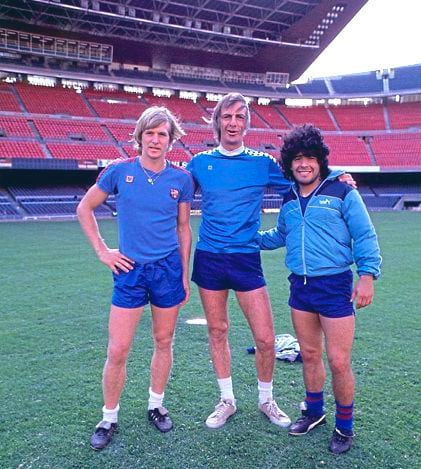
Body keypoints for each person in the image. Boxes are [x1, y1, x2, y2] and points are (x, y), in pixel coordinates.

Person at [186, 93, 354, 430]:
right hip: (209, 258)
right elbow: (169, 186)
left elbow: (304, 176)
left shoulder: (261, 163)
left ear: (247, 122)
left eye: (240, 116)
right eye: (227, 116)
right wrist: (127, 164)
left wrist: (339, 175)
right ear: (217, 121)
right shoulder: (199, 162)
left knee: (265, 338)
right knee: (218, 331)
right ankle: (227, 400)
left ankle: (266, 399)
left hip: (246, 258)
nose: (233, 122)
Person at [258, 124, 381, 454]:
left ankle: (345, 426)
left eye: (310, 158)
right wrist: (249, 238)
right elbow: (281, 236)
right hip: (300, 287)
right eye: (297, 158)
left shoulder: (342, 190)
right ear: (289, 164)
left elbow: (364, 235)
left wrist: (367, 275)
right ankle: (313, 413)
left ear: (320, 160)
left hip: (335, 285)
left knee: (338, 360)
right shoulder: (288, 197)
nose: (303, 164)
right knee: (310, 355)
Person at [77, 106, 193, 450]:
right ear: (140, 136)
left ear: (171, 140)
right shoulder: (118, 172)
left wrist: (183, 275)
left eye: (162, 134)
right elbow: (84, 208)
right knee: (118, 348)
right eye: (150, 133)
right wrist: (103, 251)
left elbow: (184, 228)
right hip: (130, 271)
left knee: (163, 341)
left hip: (168, 270)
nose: (155, 140)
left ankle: (156, 405)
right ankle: (109, 416)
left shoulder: (181, 179)